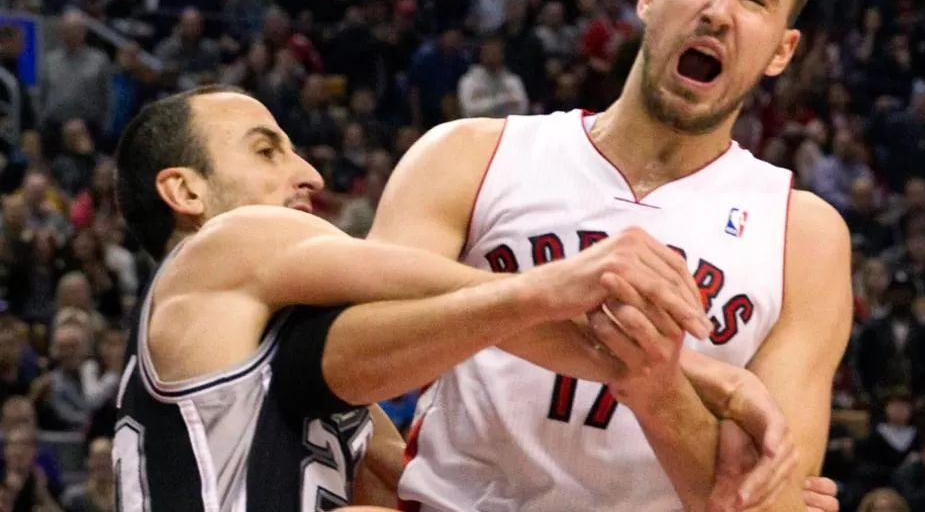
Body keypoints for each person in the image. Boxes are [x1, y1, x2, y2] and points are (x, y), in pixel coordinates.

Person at [362, 0, 852, 512]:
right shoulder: (470, 154)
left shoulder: (803, 234)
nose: (719, 12)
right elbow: (351, 360)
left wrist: (660, 389)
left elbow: (770, 503)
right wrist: (553, 295)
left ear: (783, 51)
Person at [110, 85, 732, 511]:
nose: (309, 174)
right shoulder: (222, 244)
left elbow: (426, 494)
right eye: (267, 151)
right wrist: (710, 380)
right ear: (185, 191)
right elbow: (479, 294)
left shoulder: (286, 378)